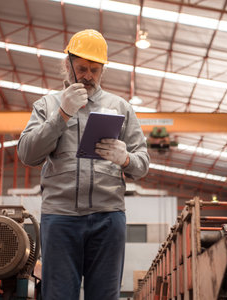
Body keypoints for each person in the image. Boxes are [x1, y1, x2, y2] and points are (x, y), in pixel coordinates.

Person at [17, 29, 149, 300]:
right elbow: (28, 155)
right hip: (61, 218)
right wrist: (61, 115)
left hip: (108, 217)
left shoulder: (120, 107)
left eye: (95, 70)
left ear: (103, 71)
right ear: (68, 66)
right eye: (82, 68)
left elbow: (142, 164)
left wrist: (125, 158)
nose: (88, 75)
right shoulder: (47, 105)